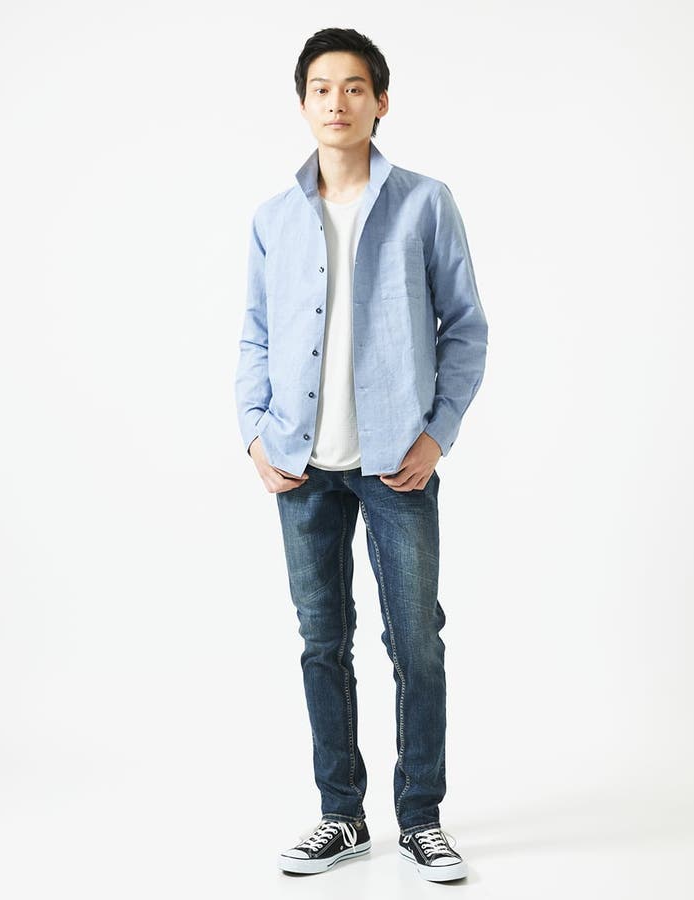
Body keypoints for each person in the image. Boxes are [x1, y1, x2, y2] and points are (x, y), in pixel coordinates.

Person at [234, 27, 488, 883]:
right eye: (320, 88)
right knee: (321, 642)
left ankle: (421, 819)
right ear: (303, 103)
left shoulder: (425, 203)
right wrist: (255, 431)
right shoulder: (273, 218)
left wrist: (437, 433)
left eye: (352, 87)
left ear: (381, 101)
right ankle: (341, 816)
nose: (335, 102)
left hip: (395, 464)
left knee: (416, 643)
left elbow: (467, 330)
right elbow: (254, 335)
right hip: (301, 466)